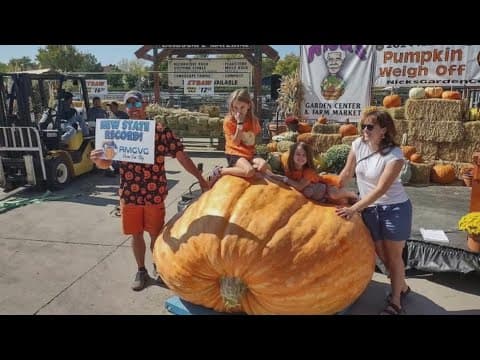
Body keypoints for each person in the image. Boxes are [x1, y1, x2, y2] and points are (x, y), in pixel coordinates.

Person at [90, 90, 209, 291]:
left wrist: (200, 179)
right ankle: (141, 270)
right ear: (125, 108)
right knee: (136, 234)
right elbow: (106, 162)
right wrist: (98, 160)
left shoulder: (160, 131)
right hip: (130, 193)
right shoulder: (118, 131)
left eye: (137, 104)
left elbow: (181, 156)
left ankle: (158, 267)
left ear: (145, 105)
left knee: (156, 235)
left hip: (154, 193)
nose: (133, 109)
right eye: (129, 105)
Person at [335, 110, 412, 315]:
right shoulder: (358, 145)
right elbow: (347, 171)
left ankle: (395, 301)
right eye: (363, 126)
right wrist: (332, 187)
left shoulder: (395, 156)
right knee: (382, 256)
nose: (365, 130)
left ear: (384, 131)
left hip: (394, 208)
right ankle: (402, 286)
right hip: (369, 208)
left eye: (370, 127)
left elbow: (380, 190)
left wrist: (353, 208)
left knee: (394, 257)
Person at [266, 142, 358, 204]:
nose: (301, 158)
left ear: (308, 158)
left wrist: (284, 179)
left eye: (304, 155)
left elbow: (299, 186)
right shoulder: (289, 169)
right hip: (317, 197)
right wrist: (270, 176)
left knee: (334, 194)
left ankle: (352, 194)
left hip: (326, 188)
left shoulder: (308, 172)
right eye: (298, 154)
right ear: (292, 155)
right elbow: (284, 180)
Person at [208, 88, 267, 185]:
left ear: (248, 105)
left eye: (242, 107)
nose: (239, 111)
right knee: (249, 171)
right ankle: (221, 170)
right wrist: (240, 124)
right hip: (234, 153)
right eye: (235, 108)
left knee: (263, 166)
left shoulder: (253, 120)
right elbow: (235, 142)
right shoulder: (229, 121)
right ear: (231, 107)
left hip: (249, 153)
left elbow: (254, 140)